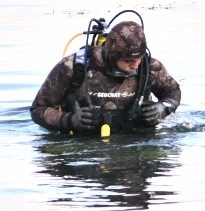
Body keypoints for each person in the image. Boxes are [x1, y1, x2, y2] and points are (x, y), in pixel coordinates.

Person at [31, 18, 182, 135]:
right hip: (83, 146)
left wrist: (163, 108)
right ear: (111, 56)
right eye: (128, 61)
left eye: (139, 58)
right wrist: (70, 120)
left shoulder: (150, 67)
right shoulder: (73, 67)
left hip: (137, 141)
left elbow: (173, 91)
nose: (135, 66)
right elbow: (38, 109)